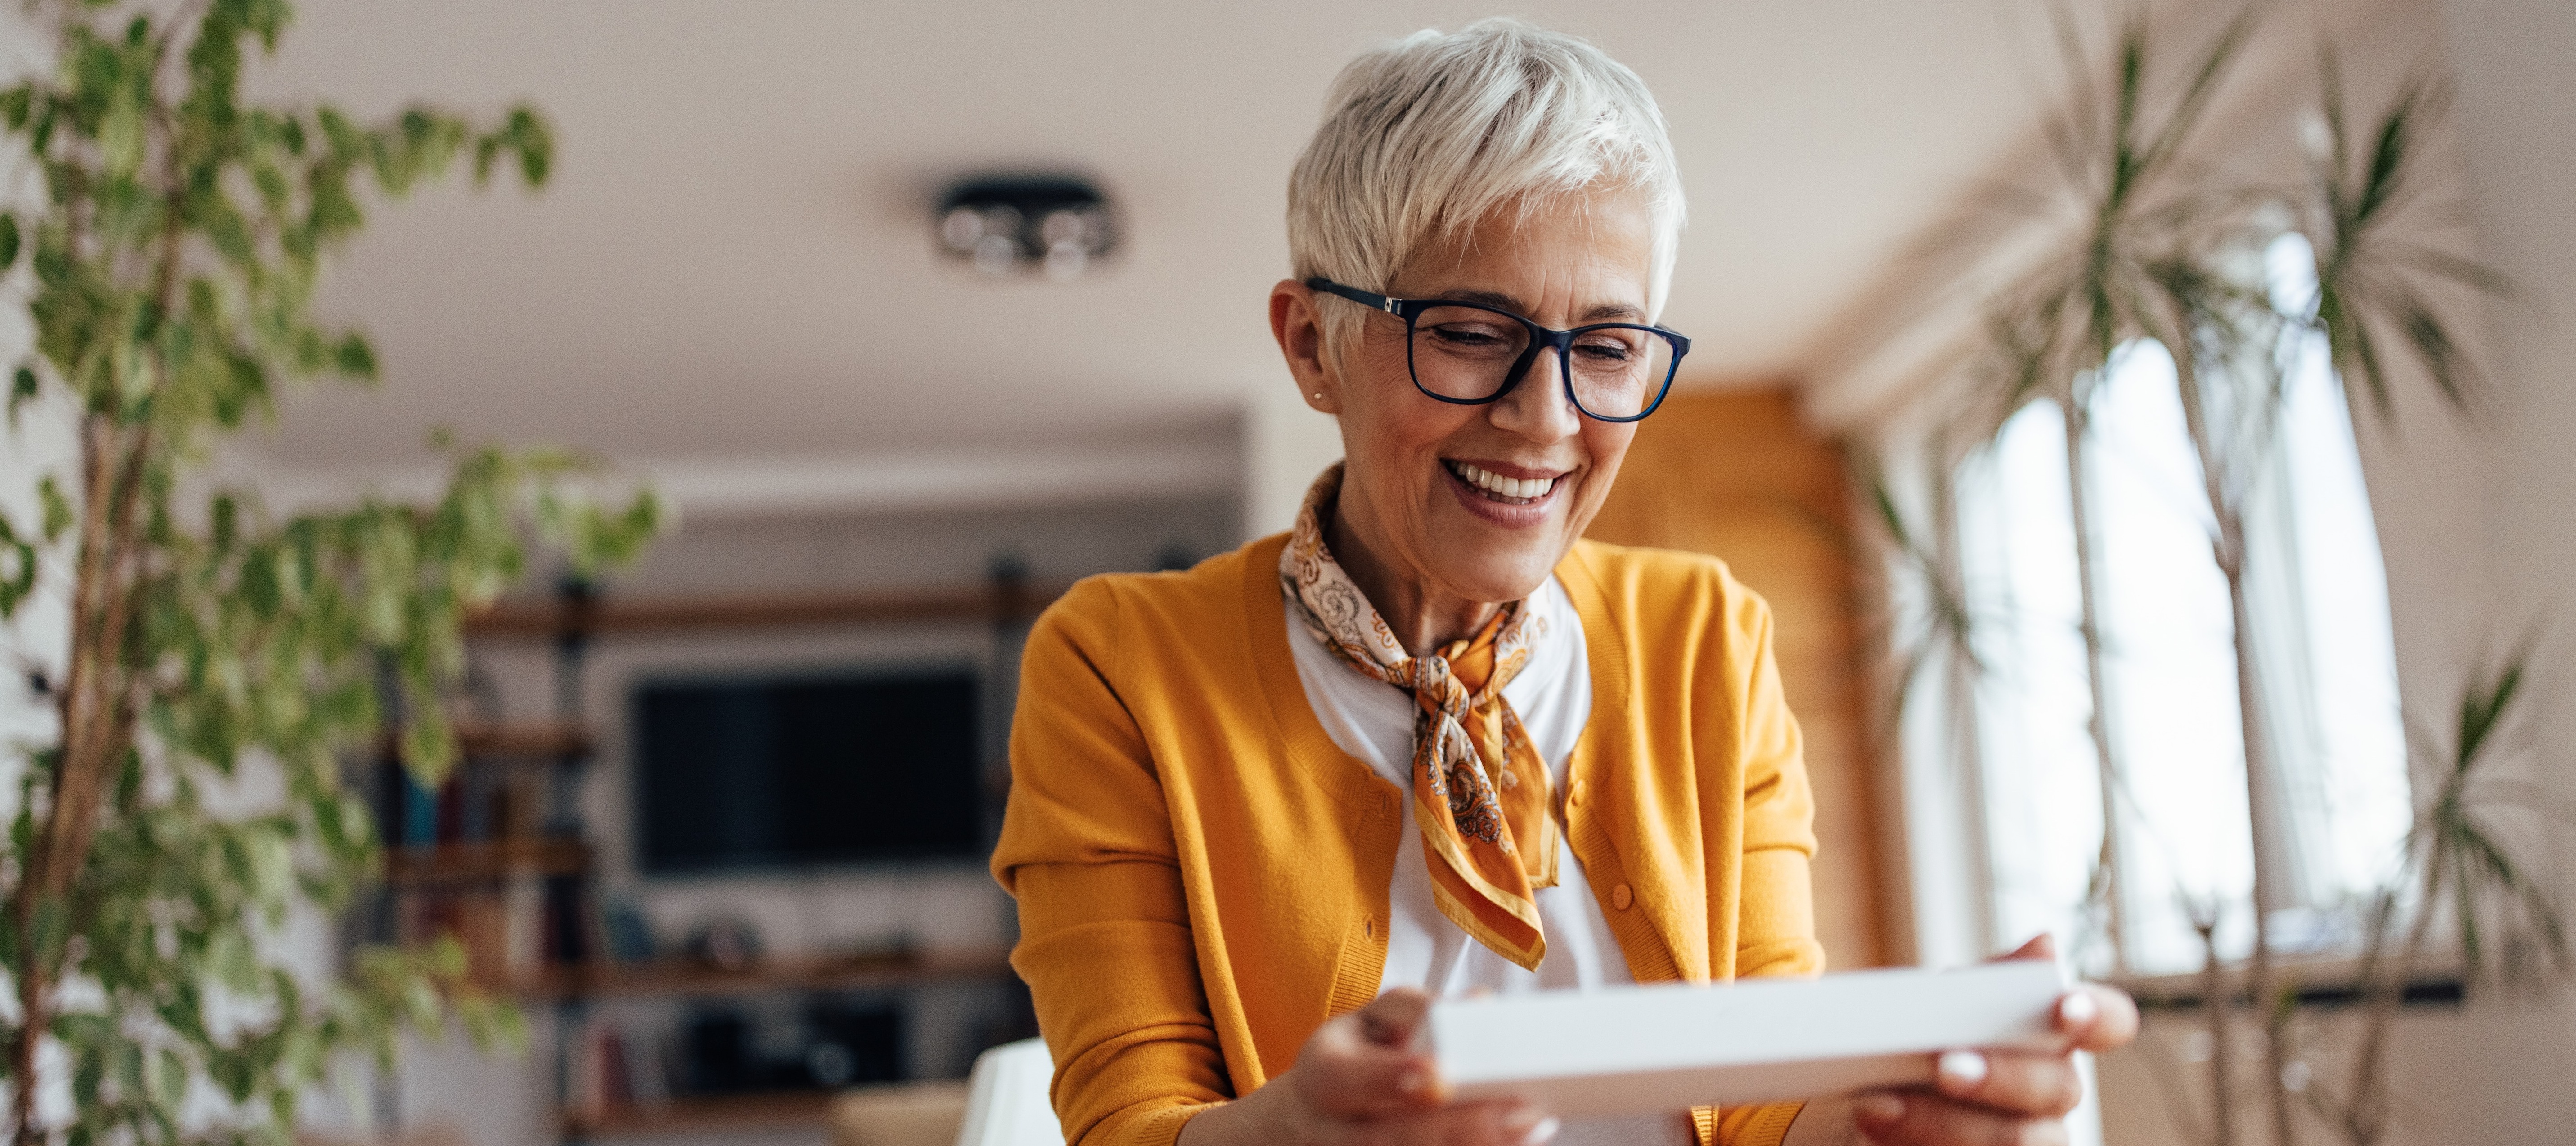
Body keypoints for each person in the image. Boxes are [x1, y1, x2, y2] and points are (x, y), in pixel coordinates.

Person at [991, 19, 2136, 1146]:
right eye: (1470, 330)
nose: (1545, 419)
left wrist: (1907, 1116)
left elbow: (1762, 1102)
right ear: (1310, 345)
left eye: (1605, 347)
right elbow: (1130, 1122)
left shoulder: (1705, 638)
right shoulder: (1118, 666)